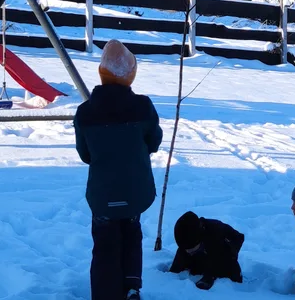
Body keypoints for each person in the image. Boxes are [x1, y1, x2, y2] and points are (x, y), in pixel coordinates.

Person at [75, 40, 163, 300]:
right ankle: (131, 287)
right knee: (131, 235)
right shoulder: (143, 107)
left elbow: (85, 154)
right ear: (129, 76)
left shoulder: (84, 113)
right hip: (135, 190)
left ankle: (104, 293)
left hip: (103, 193)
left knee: (104, 243)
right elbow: (154, 142)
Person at [168, 211, 245, 290]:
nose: (188, 252)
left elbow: (238, 239)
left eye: (191, 249)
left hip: (223, 250)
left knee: (227, 269)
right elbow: (180, 259)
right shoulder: (186, 238)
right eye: (185, 249)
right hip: (202, 246)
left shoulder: (217, 233)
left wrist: (210, 275)